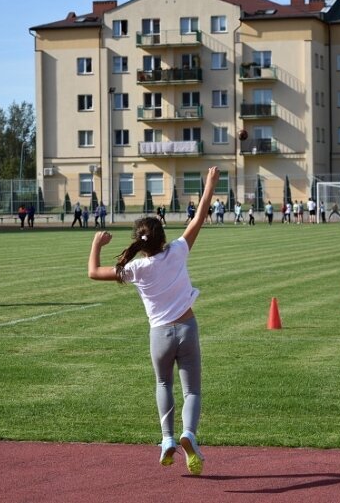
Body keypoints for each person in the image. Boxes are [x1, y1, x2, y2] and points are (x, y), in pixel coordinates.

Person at [87, 166, 220, 476]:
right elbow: (198, 217)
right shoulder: (177, 251)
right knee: (192, 392)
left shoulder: (136, 269)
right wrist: (210, 184)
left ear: (139, 242)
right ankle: (189, 434)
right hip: (186, 327)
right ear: (162, 237)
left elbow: (93, 272)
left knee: (163, 384)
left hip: (159, 335)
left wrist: (96, 243)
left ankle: (167, 439)